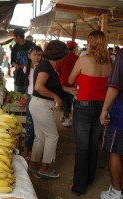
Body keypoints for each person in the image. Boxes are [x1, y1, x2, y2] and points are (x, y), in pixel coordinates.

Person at [68, 30, 112, 196]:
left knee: (81, 147)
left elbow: (71, 80)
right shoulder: (109, 62)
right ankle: (89, 179)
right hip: (101, 107)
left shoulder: (83, 60)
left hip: (84, 106)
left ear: (90, 42)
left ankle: (79, 186)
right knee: (93, 145)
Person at [28, 40, 68, 178]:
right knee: (52, 136)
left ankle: (33, 164)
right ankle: (44, 167)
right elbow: (39, 87)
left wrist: (68, 90)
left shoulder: (48, 65)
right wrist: (56, 97)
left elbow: (49, 85)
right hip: (41, 105)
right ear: (59, 54)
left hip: (38, 104)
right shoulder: (46, 66)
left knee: (40, 137)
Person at [100, 48, 123, 199]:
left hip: (120, 115)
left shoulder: (122, 55)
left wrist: (104, 109)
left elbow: (114, 86)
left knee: (115, 153)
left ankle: (116, 191)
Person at [23, 45, 43, 159]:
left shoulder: (43, 68)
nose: (37, 57)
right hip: (31, 97)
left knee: (39, 126)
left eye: (39, 55)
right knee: (30, 125)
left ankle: (36, 152)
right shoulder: (27, 68)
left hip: (40, 98)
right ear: (29, 56)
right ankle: (27, 149)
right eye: (34, 55)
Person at [56, 41, 79, 127]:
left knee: (65, 101)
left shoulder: (61, 57)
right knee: (70, 100)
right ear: (74, 48)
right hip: (73, 84)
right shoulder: (77, 58)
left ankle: (66, 117)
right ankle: (67, 117)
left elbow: (57, 70)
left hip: (63, 83)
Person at [10, 28, 35, 93]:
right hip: (18, 78)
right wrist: (15, 65)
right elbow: (12, 61)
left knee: (28, 99)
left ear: (18, 36)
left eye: (14, 36)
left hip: (30, 78)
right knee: (17, 99)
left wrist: (28, 65)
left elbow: (37, 59)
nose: (13, 38)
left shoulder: (31, 45)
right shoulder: (15, 48)